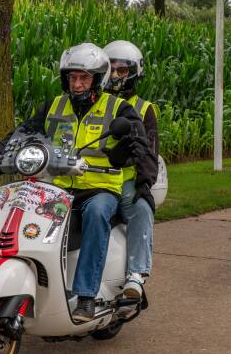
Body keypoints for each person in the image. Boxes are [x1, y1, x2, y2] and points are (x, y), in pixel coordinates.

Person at [0, 43, 156, 322]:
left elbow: (140, 144)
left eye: (84, 78)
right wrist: (1, 153)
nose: (76, 84)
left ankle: (86, 296)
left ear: (98, 79)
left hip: (100, 189)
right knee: (24, 206)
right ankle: (33, 283)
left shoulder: (118, 108)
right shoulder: (54, 105)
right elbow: (25, 130)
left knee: (97, 212)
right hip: (58, 188)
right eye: (72, 78)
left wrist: (141, 177)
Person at [103, 40, 159, 301]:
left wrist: (144, 183)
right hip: (88, 177)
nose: (115, 76)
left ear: (134, 73)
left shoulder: (143, 109)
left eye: (121, 71)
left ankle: (136, 274)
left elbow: (150, 151)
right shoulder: (94, 103)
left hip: (124, 180)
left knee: (140, 208)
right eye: (111, 69)